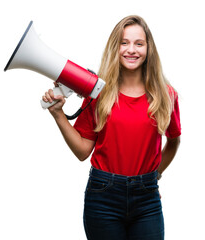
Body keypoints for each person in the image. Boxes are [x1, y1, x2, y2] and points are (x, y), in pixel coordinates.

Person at [42, 15, 181, 240]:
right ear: (114, 48)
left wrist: (155, 176)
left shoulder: (166, 95)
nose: (131, 50)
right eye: (124, 43)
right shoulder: (99, 93)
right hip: (103, 197)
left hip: (147, 199)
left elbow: (174, 140)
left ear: (149, 49)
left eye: (139, 43)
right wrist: (58, 114)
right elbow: (82, 151)